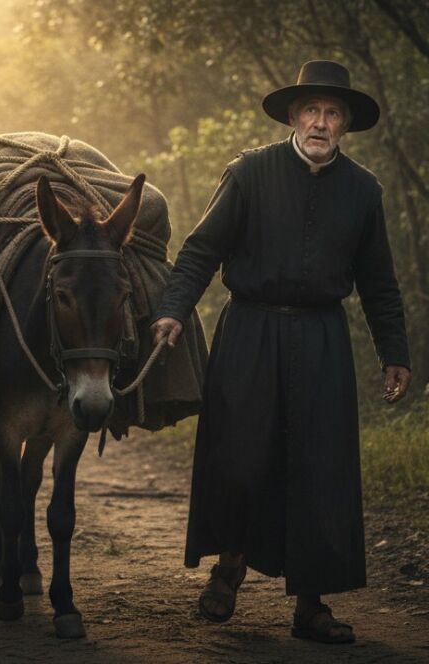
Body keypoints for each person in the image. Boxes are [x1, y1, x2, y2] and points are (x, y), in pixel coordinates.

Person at [150, 60, 412, 644]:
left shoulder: (363, 190)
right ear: (294, 116)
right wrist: (171, 309)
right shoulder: (249, 173)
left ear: (344, 124)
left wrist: (394, 351)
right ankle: (229, 569)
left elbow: (379, 282)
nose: (321, 122)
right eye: (312, 110)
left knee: (319, 471)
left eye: (332, 113)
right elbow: (200, 250)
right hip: (250, 333)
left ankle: (311, 607)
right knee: (241, 458)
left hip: (322, 341)